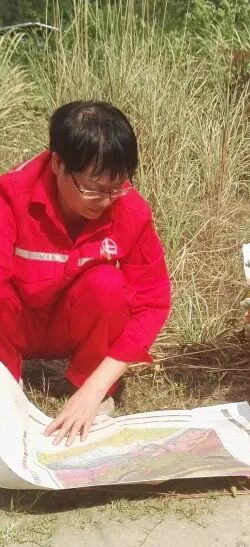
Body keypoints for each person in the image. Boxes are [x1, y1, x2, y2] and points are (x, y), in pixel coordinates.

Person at [0, 101, 171, 447]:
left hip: (72, 323)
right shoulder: (11, 196)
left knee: (108, 285)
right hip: (15, 325)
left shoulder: (130, 209)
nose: (105, 201)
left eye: (116, 187)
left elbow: (153, 301)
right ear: (57, 163)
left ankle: (89, 386)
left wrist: (95, 387)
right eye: (93, 189)